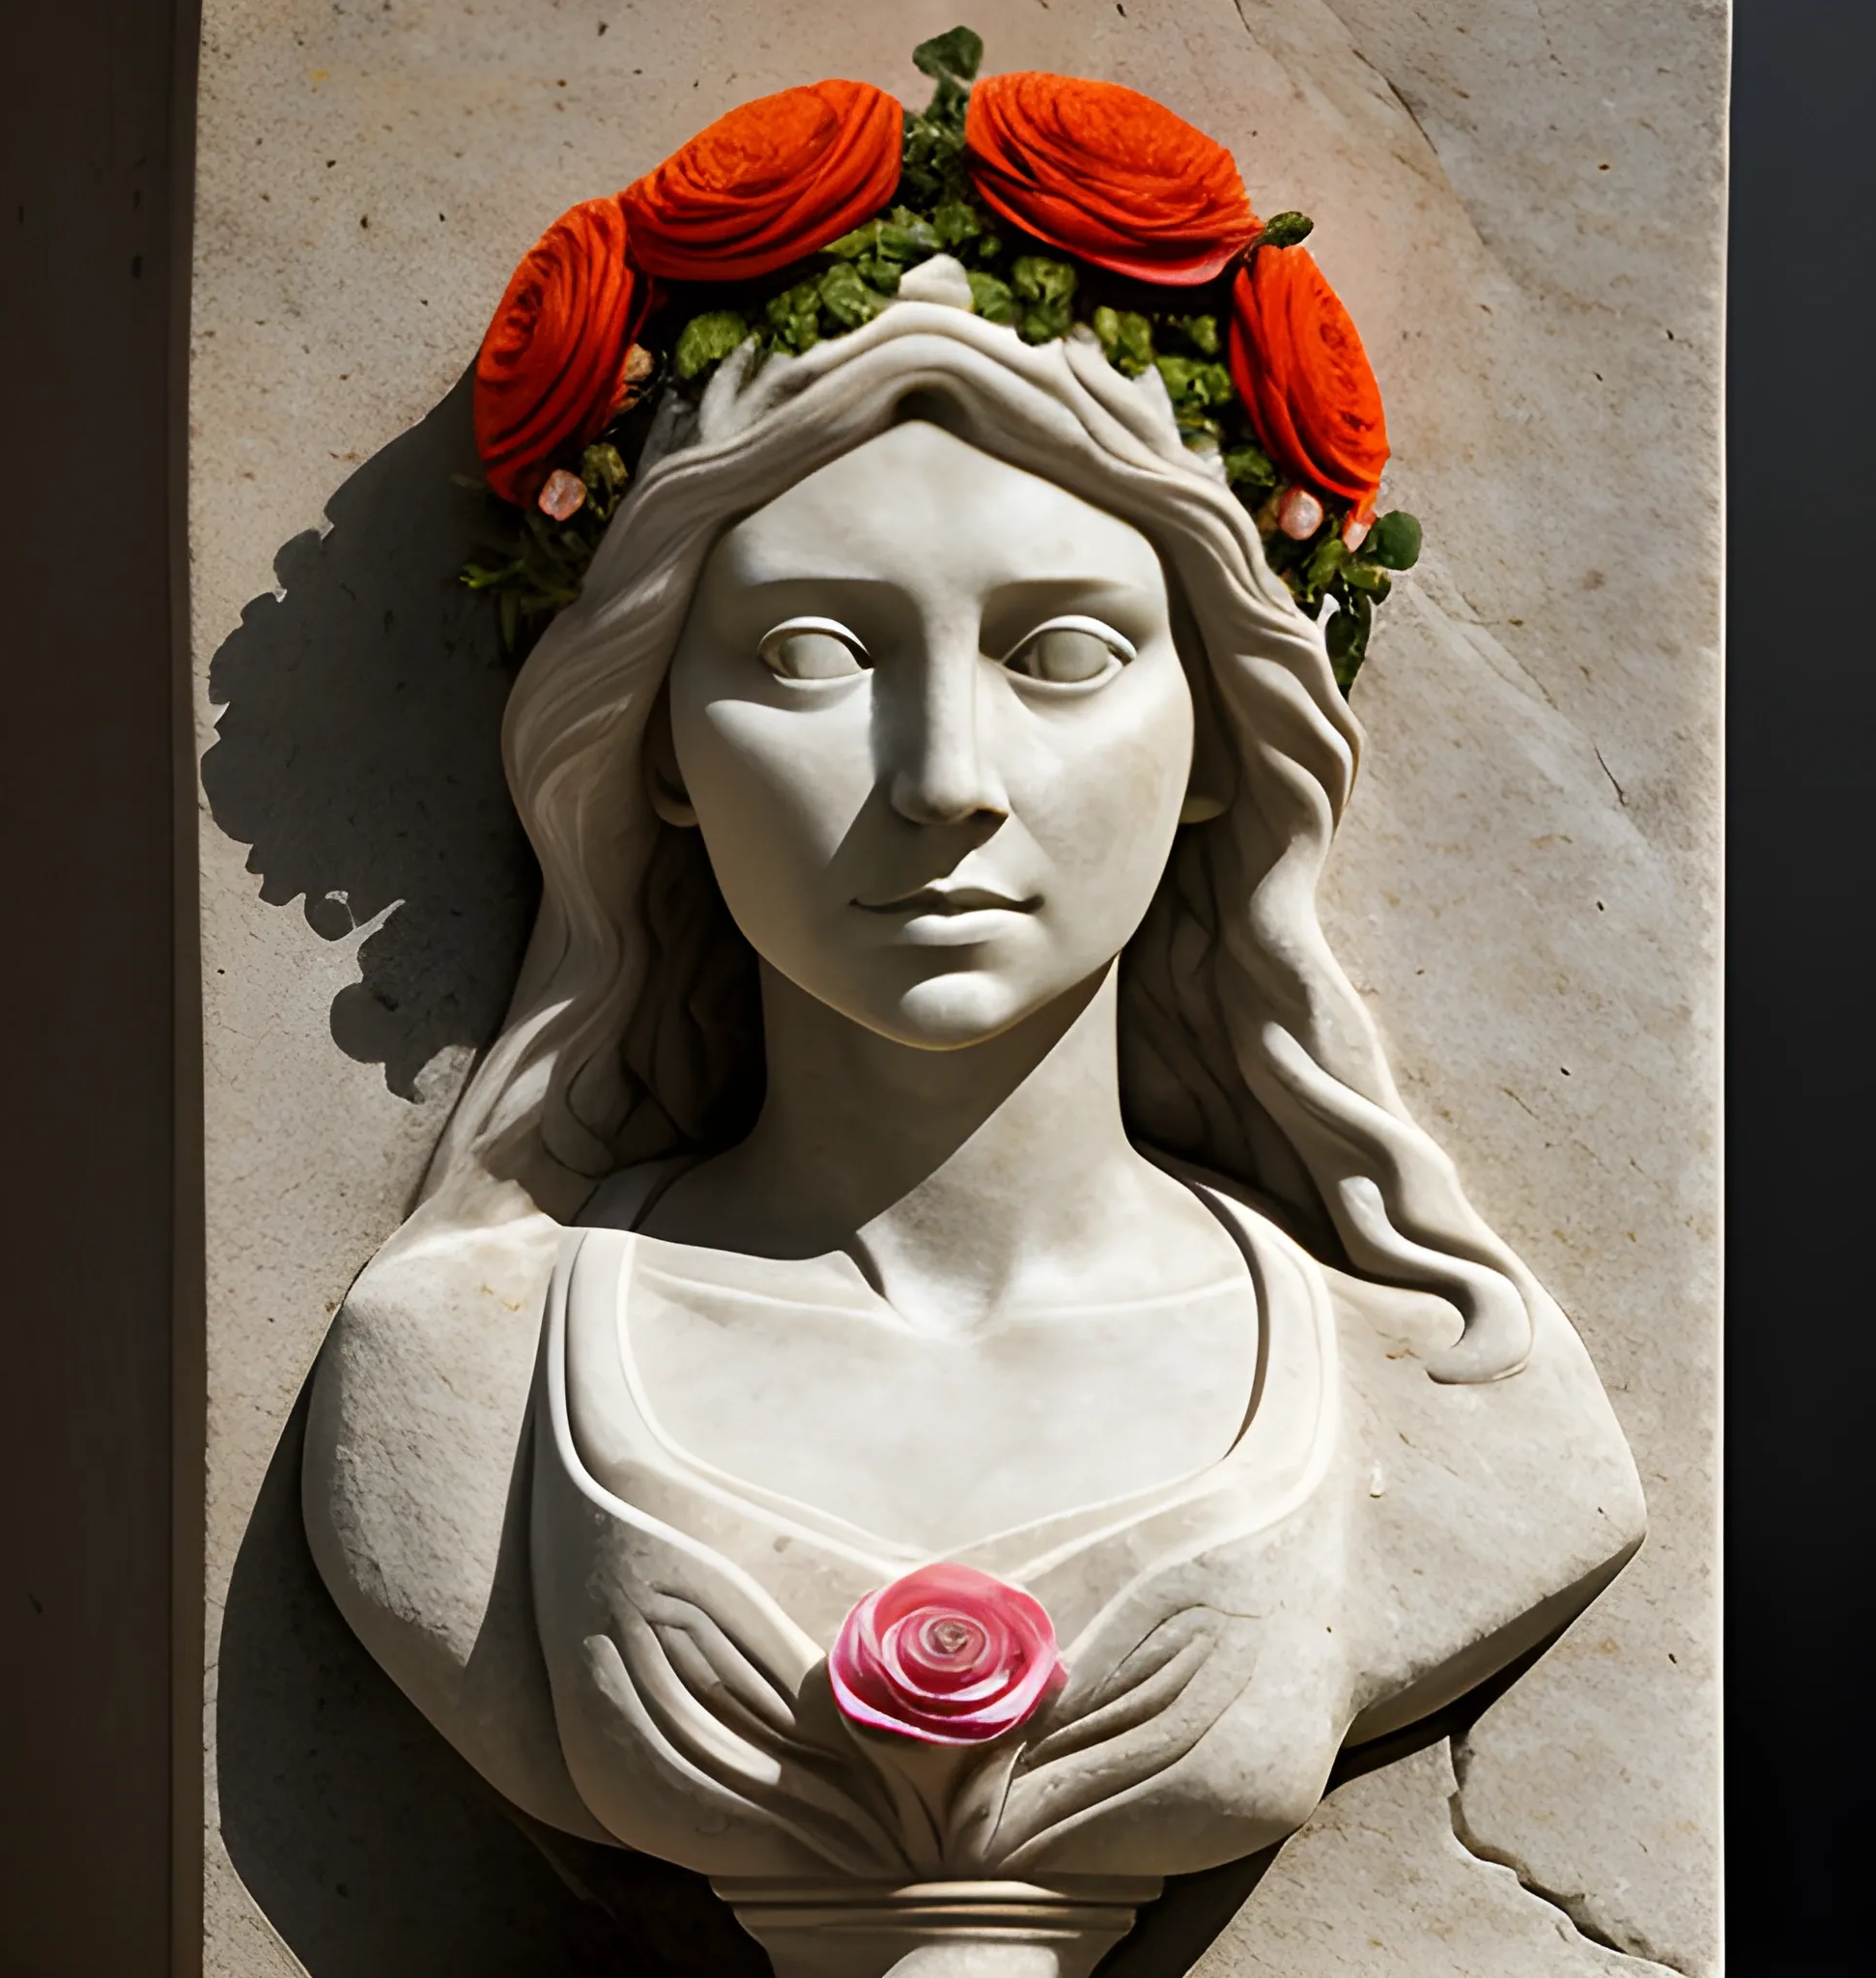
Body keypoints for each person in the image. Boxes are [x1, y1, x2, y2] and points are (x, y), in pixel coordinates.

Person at [302, 295, 1641, 1976]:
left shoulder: (1462, 1418)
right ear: (652, 743)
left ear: (1222, 732)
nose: (943, 779)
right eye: (810, 655)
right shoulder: (464, 1382)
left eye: (1062, 655)